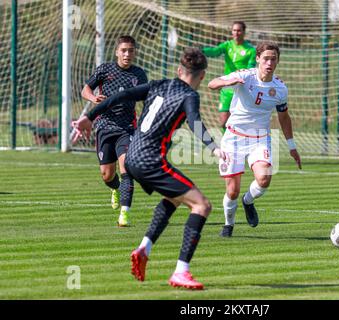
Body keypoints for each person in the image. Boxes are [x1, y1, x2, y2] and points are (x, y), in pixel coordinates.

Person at [72, 48, 227, 290]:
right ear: (203, 75)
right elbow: (195, 121)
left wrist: (89, 117)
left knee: (175, 198)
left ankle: (144, 248)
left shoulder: (158, 84)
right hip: (150, 159)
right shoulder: (190, 96)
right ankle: (181, 271)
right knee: (202, 205)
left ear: (178, 70)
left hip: (132, 155)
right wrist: (214, 148)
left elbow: (119, 96)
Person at [208, 41, 302, 238]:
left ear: (277, 62)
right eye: (266, 58)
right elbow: (212, 83)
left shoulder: (280, 88)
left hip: (260, 139)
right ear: (258, 59)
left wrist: (292, 146)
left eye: (273, 59)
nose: (269, 63)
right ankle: (228, 224)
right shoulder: (244, 75)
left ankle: (248, 201)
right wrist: (227, 83)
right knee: (232, 191)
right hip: (233, 138)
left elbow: (284, 117)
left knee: (264, 179)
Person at [77, 35, 148, 227]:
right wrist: (92, 98)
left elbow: (146, 100)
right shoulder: (105, 70)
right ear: (117, 51)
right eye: (123, 50)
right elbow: (85, 90)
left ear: (134, 52)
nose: (127, 54)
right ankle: (115, 188)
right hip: (104, 127)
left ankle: (124, 214)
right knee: (107, 175)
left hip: (126, 128)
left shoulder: (139, 75)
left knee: (127, 169)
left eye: (130, 50)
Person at [202, 21, 256, 132]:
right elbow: (215, 51)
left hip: (242, 88)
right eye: (234, 30)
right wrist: (201, 51)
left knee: (240, 121)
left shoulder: (250, 50)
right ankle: (226, 144)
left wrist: (244, 73)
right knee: (223, 121)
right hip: (227, 87)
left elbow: (251, 67)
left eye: (239, 30)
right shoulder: (227, 45)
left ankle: (237, 144)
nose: (237, 33)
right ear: (232, 32)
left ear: (244, 32)